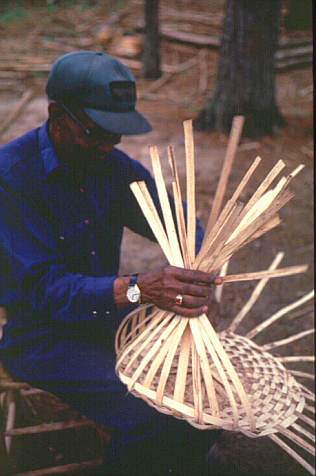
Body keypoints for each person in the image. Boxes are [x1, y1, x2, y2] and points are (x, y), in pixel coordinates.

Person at [0, 51, 220, 475]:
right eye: (96, 133)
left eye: (115, 136)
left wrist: (202, 267)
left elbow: (175, 221)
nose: (106, 146)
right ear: (56, 115)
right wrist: (139, 288)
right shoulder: (12, 178)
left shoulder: (111, 166)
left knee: (207, 395)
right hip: (43, 338)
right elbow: (47, 290)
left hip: (111, 323)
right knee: (152, 416)